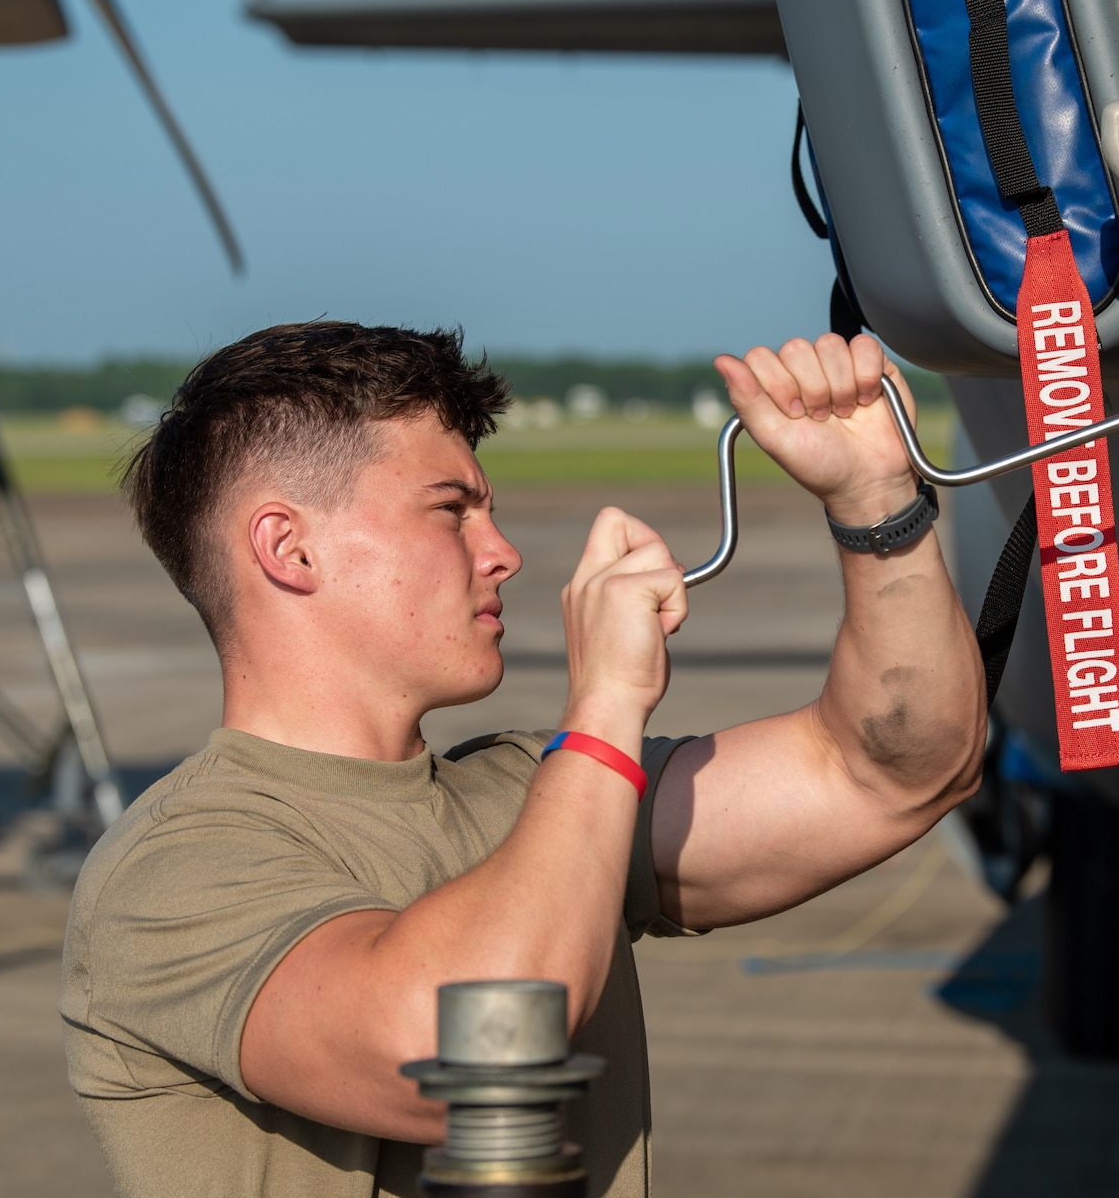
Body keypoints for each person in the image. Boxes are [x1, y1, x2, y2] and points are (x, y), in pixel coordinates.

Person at [59, 322, 985, 1198]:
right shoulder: (172, 869)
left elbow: (897, 769)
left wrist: (876, 503)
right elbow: (472, 1060)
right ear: (288, 546)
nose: (502, 554)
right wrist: (606, 704)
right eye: (450, 510)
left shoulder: (530, 791)